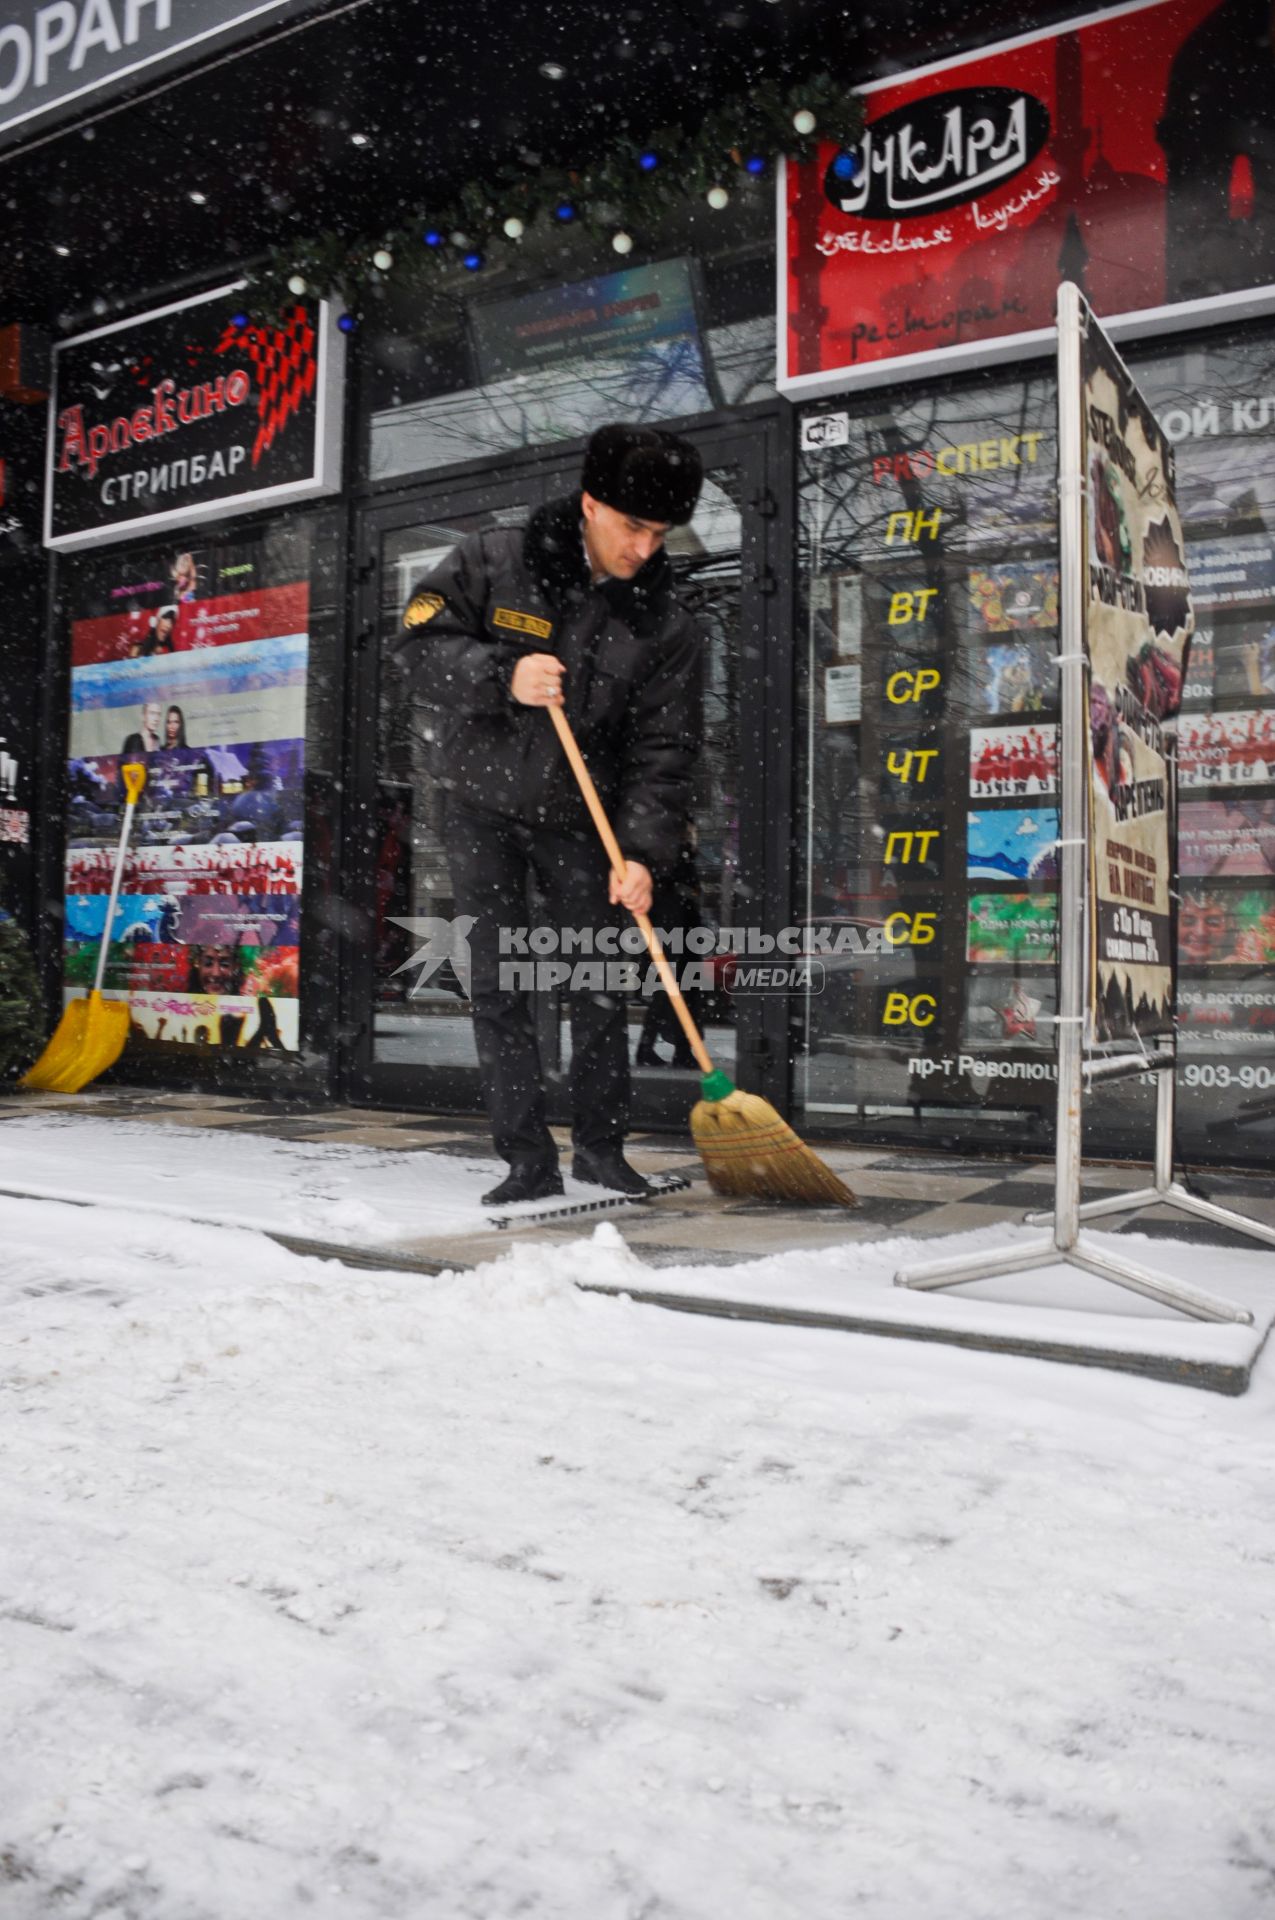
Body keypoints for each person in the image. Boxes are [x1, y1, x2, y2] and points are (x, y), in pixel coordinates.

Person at [393, 422, 704, 1206]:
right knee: (501, 982)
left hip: (582, 817)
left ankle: (600, 1149)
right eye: (631, 526)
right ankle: (525, 1159)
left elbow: (663, 750)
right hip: (482, 806)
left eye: (659, 532)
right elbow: (415, 643)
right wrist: (501, 673)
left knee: (596, 979)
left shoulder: (662, 619)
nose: (643, 547)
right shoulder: (495, 560)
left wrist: (640, 854)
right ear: (591, 504)